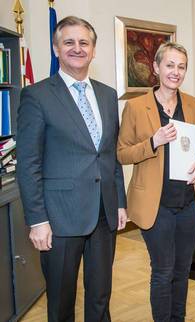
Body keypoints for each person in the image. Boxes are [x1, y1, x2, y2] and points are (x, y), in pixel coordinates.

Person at [16, 16, 127, 322]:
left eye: (84, 43)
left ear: (93, 50)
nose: (77, 49)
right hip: (59, 218)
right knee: (62, 302)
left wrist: (119, 201)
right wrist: (37, 220)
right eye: (69, 42)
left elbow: (111, 154)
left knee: (100, 297)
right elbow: (28, 164)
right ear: (56, 48)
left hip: (104, 214)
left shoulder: (107, 95)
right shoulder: (37, 96)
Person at [117, 42, 195, 322]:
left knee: (182, 272)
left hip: (190, 203)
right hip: (155, 206)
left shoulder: (192, 104)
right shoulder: (135, 107)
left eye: (181, 66)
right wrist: (153, 142)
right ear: (156, 68)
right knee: (163, 272)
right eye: (170, 65)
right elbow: (121, 153)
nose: (176, 72)